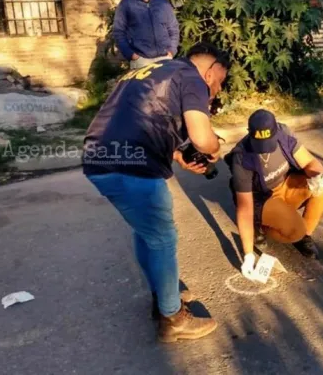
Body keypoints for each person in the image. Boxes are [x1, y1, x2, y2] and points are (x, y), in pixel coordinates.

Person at [82, 42, 230, 342]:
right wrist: (214, 149)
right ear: (212, 69)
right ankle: (173, 318)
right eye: (220, 80)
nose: (217, 88)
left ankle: (164, 293)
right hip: (133, 164)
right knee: (162, 237)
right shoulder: (193, 77)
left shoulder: (154, 70)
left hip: (100, 157)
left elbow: (140, 116)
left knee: (145, 230)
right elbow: (202, 138)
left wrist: (177, 155)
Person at [224, 109, 323, 280]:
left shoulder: (284, 134)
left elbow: (310, 162)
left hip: (285, 186)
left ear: (277, 131)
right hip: (262, 198)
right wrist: (248, 255)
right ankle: (261, 228)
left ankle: (304, 236)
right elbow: (245, 209)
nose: (264, 150)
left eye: (269, 143)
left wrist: (317, 176)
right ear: (250, 135)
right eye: (259, 144)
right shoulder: (242, 157)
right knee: (295, 230)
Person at [113, 0, 180, 69]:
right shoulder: (126, 4)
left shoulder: (162, 3)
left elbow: (173, 28)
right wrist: (132, 55)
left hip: (165, 59)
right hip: (141, 61)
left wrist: (171, 51)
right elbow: (118, 32)